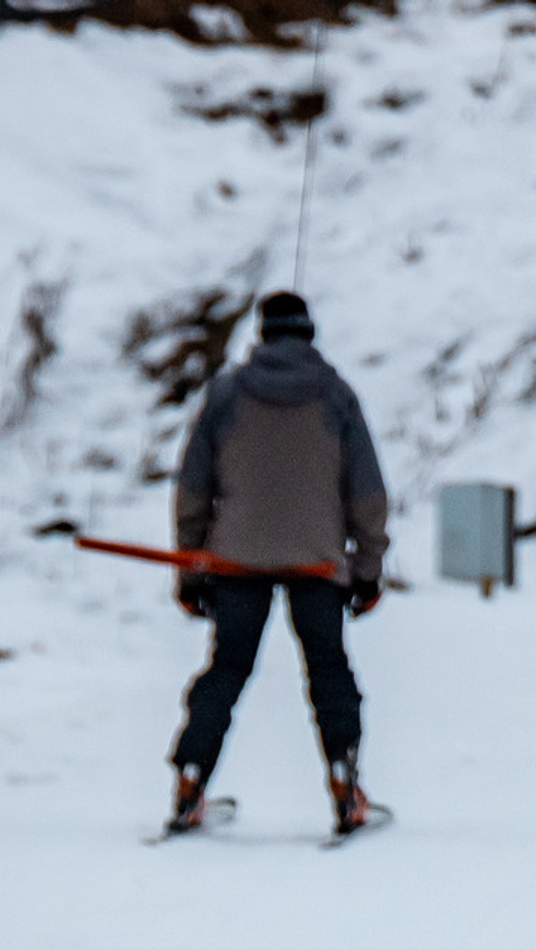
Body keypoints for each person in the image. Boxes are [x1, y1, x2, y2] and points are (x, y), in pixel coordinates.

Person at [168, 290, 389, 840]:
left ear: (262, 334)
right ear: (309, 333)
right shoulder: (337, 396)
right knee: (329, 671)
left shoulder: (225, 395)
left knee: (226, 669)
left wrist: (192, 569)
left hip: (235, 559)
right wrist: (367, 568)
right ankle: (344, 781)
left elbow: (193, 489)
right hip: (317, 562)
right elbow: (366, 493)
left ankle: (191, 779)